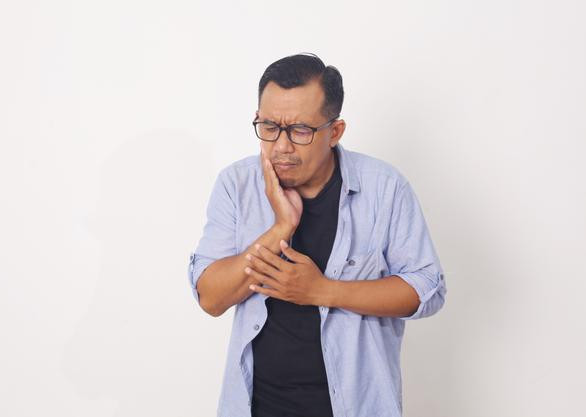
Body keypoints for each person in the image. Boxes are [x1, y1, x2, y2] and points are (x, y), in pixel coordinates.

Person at [187, 53, 447, 417]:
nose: (281, 146)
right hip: (256, 406)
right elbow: (211, 297)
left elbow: (426, 289)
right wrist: (280, 228)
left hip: (355, 407)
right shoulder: (236, 185)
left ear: (334, 132)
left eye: (300, 130)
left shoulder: (385, 188)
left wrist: (321, 290)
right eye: (269, 127)